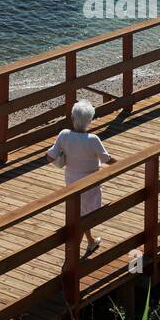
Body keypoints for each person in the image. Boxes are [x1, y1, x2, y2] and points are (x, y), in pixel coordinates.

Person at [46, 100, 117, 256]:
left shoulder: (64, 135)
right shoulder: (93, 139)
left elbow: (49, 157)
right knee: (86, 216)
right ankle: (73, 255)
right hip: (90, 182)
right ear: (90, 120)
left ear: (72, 118)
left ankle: (90, 241)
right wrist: (122, 164)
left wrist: (62, 158)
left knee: (79, 213)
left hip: (71, 179)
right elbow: (106, 159)